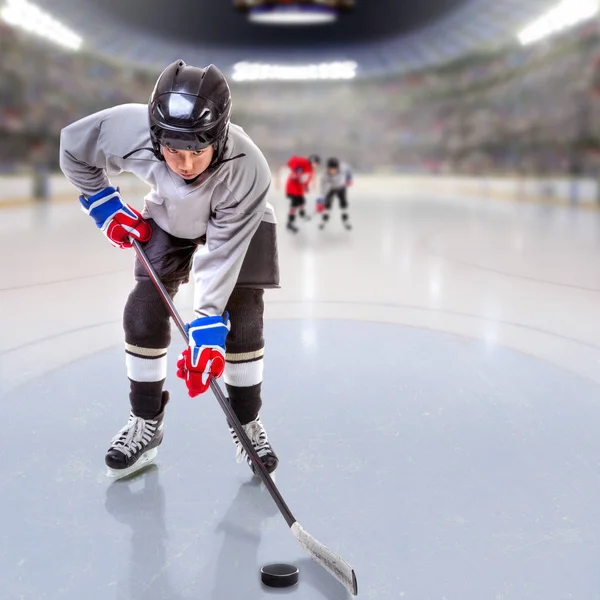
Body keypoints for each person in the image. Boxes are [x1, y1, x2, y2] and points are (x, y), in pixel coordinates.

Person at [59, 60, 280, 479]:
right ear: (154, 134)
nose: (185, 164)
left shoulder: (249, 168)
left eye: (197, 151)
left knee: (245, 316)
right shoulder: (126, 128)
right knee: (143, 311)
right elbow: (73, 148)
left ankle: (247, 422)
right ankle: (146, 421)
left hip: (238, 222)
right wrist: (102, 202)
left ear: (218, 136)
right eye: (173, 150)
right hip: (170, 216)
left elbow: (222, 254)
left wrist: (208, 324)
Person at [283, 154, 320, 232]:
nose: (315, 165)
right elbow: (293, 160)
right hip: (292, 186)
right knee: (295, 203)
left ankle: (301, 213)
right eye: (315, 163)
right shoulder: (303, 162)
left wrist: (306, 187)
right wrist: (295, 168)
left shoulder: (310, 171)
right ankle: (290, 222)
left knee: (302, 201)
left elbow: (306, 180)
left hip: (299, 189)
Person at [318, 157, 353, 231]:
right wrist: (320, 201)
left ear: (338, 168)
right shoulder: (324, 175)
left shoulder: (343, 167)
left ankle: (346, 221)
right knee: (327, 205)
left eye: (335, 169)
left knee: (343, 204)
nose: (333, 171)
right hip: (331, 188)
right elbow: (323, 188)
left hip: (341, 187)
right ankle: (323, 221)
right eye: (331, 169)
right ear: (328, 168)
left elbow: (348, 169)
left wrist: (349, 177)